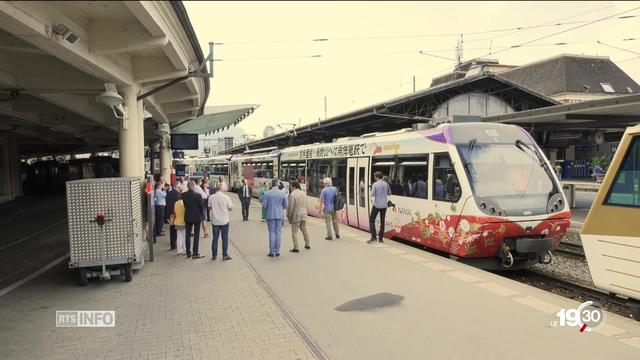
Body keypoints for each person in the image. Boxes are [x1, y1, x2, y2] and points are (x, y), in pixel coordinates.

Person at [208, 183, 233, 261]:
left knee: (215, 238)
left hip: (215, 220)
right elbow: (231, 208)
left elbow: (209, 207)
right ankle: (225, 255)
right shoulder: (226, 197)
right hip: (224, 220)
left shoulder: (211, 197)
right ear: (221, 189)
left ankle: (214, 255)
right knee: (224, 238)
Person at [263, 178, 288, 257]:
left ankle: (271, 252)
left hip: (270, 215)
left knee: (271, 233)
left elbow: (264, 206)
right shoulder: (282, 193)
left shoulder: (267, 193)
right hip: (279, 215)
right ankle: (277, 251)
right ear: (277, 184)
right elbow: (286, 205)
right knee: (278, 233)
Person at [183, 180, 205, 259]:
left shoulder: (184, 195)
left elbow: (185, 205)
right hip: (197, 217)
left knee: (187, 235)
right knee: (196, 235)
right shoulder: (198, 195)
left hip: (188, 216)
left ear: (187, 187)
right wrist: (201, 214)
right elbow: (201, 207)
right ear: (194, 186)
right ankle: (195, 253)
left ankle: (188, 252)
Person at [368, 171, 391, 244]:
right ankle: (381, 239)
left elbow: (372, 195)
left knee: (371, 220)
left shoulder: (375, 184)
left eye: (374, 177)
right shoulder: (386, 184)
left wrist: (370, 190)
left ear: (377, 177)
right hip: (384, 206)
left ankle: (373, 237)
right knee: (382, 222)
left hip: (377, 205)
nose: (374, 178)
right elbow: (389, 193)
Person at [287, 180, 310, 252]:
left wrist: (288, 216)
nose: (290, 188)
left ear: (293, 186)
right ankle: (307, 244)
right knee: (304, 229)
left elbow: (291, 207)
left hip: (296, 215)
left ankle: (296, 247)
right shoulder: (303, 193)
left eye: (290, 186)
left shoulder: (293, 194)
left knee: (294, 231)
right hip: (304, 214)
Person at [165, 182, 181, 250]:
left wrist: (167, 216)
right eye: (179, 185)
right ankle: (176, 244)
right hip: (177, 214)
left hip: (170, 214)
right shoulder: (178, 194)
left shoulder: (168, 193)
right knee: (177, 229)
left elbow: (167, 205)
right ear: (177, 186)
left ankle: (172, 245)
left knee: (172, 229)